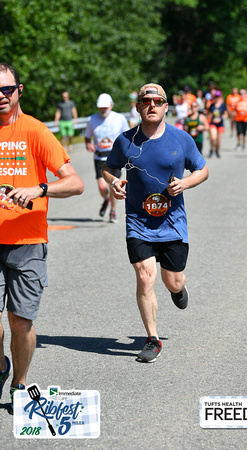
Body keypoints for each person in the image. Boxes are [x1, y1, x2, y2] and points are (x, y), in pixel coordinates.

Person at [102, 83, 209, 363]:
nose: (152, 105)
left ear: (166, 107)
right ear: (138, 107)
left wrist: (185, 183)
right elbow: (108, 168)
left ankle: (179, 289)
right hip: (138, 220)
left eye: (157, 100)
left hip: (172, 222)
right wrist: (114, 182)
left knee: (172, 281)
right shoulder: (125, 141)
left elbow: (203, 169)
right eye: (145, 101)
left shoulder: (181, 139)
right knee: (145, 276)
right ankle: (152, 338)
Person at [0, 63, 84, 413]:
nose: (1, 97)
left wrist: (40, 188)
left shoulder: (35, 131)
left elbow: (75, 182)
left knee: (20, 322)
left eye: (6, 89)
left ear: (20, 89)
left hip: (28, 241)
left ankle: (19, 381)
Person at [85, 93, 129, 223]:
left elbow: (127, 135)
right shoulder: (91, 119)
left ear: (111, 105)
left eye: (105, 107)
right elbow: (87, 136)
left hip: (115, 156)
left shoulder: (119, 118)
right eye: (100, 108)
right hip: (99, 156)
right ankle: (106, 199)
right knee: (102, 186)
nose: (103, 110)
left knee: (113, 185)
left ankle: (113, 210)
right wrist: (88, 144)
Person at [207, 90, 228, 158]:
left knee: (219, 140)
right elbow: (209, 114)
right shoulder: (212, 105)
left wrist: (222, 118)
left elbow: (226, 114)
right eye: (215, 96)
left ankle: (217, 151)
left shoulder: (223, 105)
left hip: (220, 124)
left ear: (220, 97)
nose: (217, 98)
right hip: (213, 123)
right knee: (213, 137)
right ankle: (212, 148)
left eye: (218, 96)